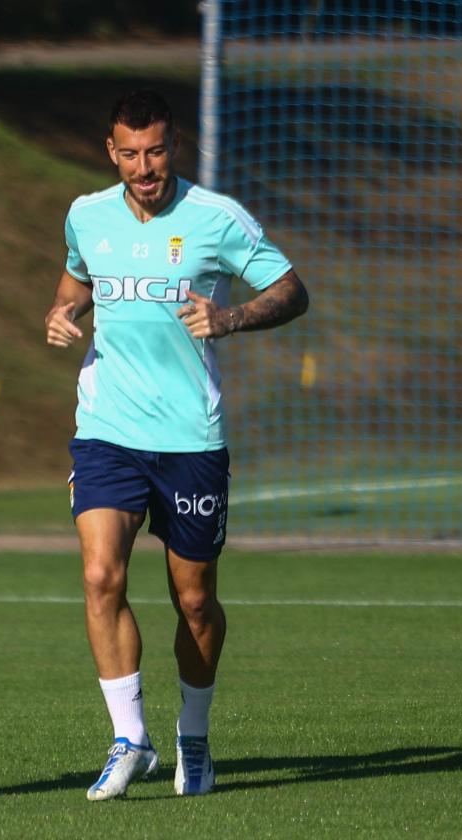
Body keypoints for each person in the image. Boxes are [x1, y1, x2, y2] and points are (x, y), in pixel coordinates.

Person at [44, 89, 308, 801]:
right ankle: (130, 737)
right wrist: (63, 316)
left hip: (190, 438)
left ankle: (194, 736)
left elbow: (291, 290)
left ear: (175, 146)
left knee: (194, 601)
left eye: (155, 151)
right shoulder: (85, 214)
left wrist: (232, 317)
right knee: (101, 577)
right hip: (107, 431)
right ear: (111, 152)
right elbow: (75, 285)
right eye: (129, 153)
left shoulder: (217, 219)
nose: (143, 166)